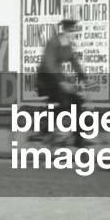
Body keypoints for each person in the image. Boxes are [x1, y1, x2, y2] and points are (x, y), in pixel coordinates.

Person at [32, 18, 88, 146]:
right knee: (65, 103)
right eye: (70, 30)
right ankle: (47, 130)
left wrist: (82, 76)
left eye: (74, 31)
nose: (73, 33)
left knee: (76, 102)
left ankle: (78, 138)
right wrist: (62, 82)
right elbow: (49, 63)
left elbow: (72, 60)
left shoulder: (66, 43)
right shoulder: (54, 41)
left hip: (56, 78)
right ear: (65, 30)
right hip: (46, 78)